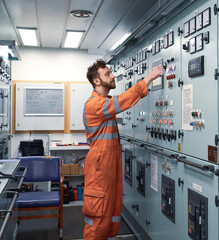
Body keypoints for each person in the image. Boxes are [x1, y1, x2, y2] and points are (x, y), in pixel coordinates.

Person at [82, 59, 164, 240]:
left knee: (112, 209)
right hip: (100, 167)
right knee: (99, 213)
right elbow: (124, 100)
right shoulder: (94, 105)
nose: (113, 76)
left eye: (111, 72)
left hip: (110, 163)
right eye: (107, 74)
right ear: (97, 81)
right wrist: (149, 77)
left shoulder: (104, 101)